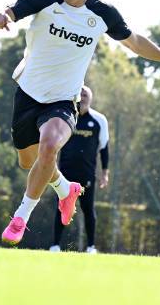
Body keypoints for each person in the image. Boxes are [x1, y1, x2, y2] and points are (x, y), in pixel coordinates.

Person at [0, 0, 160, 245]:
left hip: (63, 100)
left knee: (49, 148)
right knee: (29, 162)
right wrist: (0, 17)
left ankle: (21, 217)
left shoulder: (101, 14)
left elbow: (135, 42)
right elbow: (12, 11)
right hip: (28, 94)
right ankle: (64, 189)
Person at [49, 86, 109, 254]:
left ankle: (91, 246)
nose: (82, 97)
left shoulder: (99, 120)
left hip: (87, 174)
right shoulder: (66, 117)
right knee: (61, 208)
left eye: (85, 95)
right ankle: (55, 245)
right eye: (80, 94)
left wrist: (105, 172)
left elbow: (104, 147)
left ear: (91, 98)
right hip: (64, 174)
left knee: (88, 209)